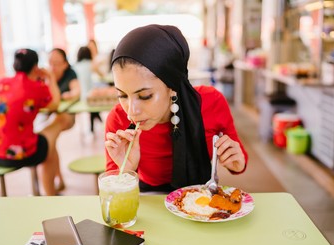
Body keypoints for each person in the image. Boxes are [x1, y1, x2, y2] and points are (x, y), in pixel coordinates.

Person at [104, 25, 248, 193]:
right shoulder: (118, 119)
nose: (131, 111)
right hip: (147, 200)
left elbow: (239, 162)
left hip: (200, 202)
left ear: (172, 85)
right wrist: (127, 171)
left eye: (145, 96)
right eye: (122, 95)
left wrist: (236, 162)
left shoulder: (211, 102)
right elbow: (115, 201)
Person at [0, 48, 70, 195]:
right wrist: (50, 78)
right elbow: (55, 103)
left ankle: (51, 191)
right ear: (36, 67)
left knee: (47, 143)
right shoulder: (34, 87)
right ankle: (51, 196)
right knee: (58, 121)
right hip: (18, 155)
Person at [73, 46, 102, 131]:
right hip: (91, 96)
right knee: (95, 107)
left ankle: (94, 125)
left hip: (79, 97)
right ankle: (97, 122)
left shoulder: (75, 66)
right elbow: (101, 75)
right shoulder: (91, 64)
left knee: (93, 109)